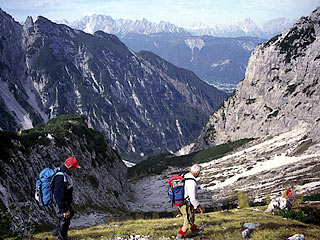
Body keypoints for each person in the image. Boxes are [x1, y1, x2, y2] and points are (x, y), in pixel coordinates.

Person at [52, 157, 81, 240]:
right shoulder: (60, 177)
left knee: (70, 213)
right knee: (65, 218)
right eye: (74, 167)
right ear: (69, 166)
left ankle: (57, 231)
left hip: (65, 201)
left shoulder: (64, 173)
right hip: (61, 202)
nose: (75, 169)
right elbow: (58, 194)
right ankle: (62, 237)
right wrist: (63, 209)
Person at [176, 164, 205, 239]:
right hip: (186, 204)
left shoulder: (186, 175)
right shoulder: (192, 183)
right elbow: (193, 199)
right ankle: (179, 237)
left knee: (191, 217)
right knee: (187, 221)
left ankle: (194, 230)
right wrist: (200, 207)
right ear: (197, 173)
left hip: (182, 201)